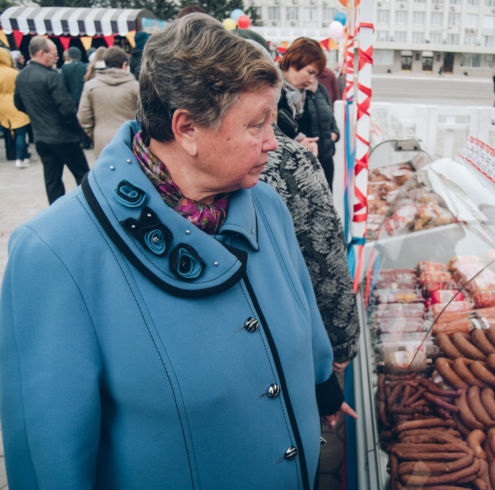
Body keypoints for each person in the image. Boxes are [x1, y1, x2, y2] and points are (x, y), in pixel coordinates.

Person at [0, 13, 354, 489]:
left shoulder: (265, 203)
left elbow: (301, 309)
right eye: (257, 125)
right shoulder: (54, 254)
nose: (275, 142)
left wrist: (323, 386)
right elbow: (50, 461)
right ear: (186, 128)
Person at [261, 125, 359, 369]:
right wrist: (342, 344)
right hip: (286, 346)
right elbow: (324, 258)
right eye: (256, 123)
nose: (270, 142)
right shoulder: (287, 158)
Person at [13, 36, 89, 204]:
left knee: (52, 181)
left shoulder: (21, 76)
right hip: (64, 137)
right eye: (54, 53)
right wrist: (79, 132)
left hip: (41, 138)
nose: (58, 56)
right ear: (41, 53)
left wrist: (37, 114)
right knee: (84, 177)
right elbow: (67, 109)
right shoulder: (51, 76)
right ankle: (90, 212)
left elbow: (18, 104)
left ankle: (57, 213)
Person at [77, 46, 139, 158]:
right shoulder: (135, 87)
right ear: (125, 65)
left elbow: (83, 117)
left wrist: (96, 134)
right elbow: (145, 115)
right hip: (130, 139)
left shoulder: (90, 86)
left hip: (102, 140)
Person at [277, 37, 327, 157]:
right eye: (310, 72)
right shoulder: (268, 89)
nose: (311, 80)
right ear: (294, 63)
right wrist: (297, 145)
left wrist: (309, 143)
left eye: (315, 75)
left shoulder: (303, 95)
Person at [0, 49, 31, 168]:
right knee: (20, 133)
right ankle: (19, 158)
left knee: (8, 132)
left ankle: (11, 153)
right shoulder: (14, 73)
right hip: (16, 105)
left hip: (2, 107)